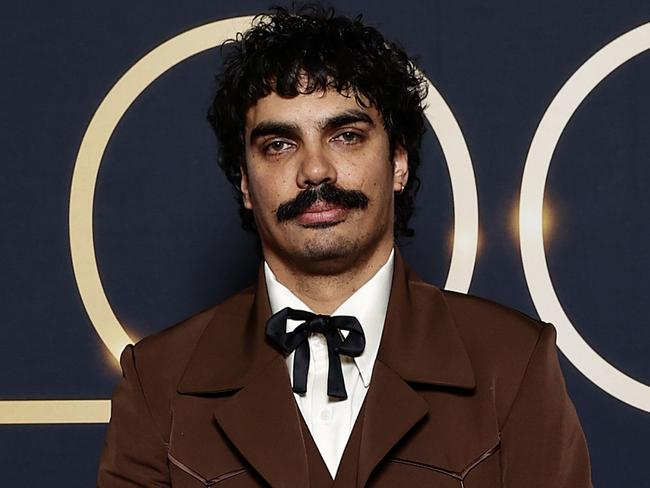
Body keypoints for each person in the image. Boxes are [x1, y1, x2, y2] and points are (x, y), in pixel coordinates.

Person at [97, 5, 592, 487]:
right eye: (279, 144)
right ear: (245, 183)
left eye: (347, 136)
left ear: (398, 162)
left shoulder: (512, 362)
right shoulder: (158, 381)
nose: (315, 170)